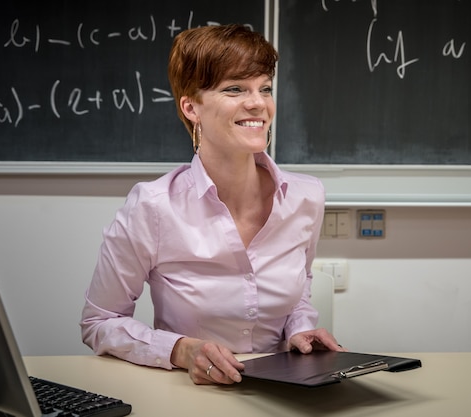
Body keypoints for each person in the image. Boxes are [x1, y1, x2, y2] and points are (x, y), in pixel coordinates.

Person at [80, 24, 344, 386]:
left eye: (264, 88)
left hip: (285, 392)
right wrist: (180, 350)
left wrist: (300, 330)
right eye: (235, 88)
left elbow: (300, 288)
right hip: (189, 393)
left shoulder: (306, 196)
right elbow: (100, 322)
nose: (258, 103)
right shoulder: (152, 206)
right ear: (191, 107)